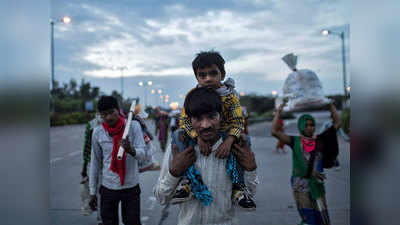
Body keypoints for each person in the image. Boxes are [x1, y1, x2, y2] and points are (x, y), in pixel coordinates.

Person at [154, 87, 258, 225]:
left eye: (212, 117)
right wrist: (174, 173)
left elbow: (249, 194)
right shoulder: (180, 149)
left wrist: (251, 170)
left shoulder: (236, 148)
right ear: (189, 120)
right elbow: (161, 197)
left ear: (221, 116)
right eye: (198, 118)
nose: (206, 125)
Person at [271, 102, 341, 225]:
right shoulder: (295, 141)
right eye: (306, 125)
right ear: (301, 126)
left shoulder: (320, 140)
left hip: (317, 186)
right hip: (300, 186)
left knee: (322, 218)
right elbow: (274, 132)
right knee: (308, 219)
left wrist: (331, 106)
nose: (310, 127)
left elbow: (337, 124)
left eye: (312, 125)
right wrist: (278, 112)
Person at [89, 95, 146, 225]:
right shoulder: (98, 132)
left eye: (111, 113)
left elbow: (143, 156)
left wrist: (131, 149)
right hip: (108, 188)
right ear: (100, 115)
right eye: (104, 114)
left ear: (118, 110)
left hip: (131, 187)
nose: (108, 117)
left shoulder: (133, 127)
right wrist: (92, 192)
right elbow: (95, 163)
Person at [81, 113, 103, 224]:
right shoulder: (111, 122)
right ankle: (101, 217)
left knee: (98, 192)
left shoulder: (90, 124)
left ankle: (101, 218)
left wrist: (84, 166)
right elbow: (87, 146)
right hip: (103, 164)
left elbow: (86, 146)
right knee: (103, 192)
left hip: (94, 163)